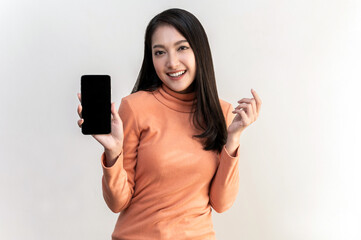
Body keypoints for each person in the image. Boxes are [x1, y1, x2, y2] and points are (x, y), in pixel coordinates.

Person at [77, 8, 261, 240]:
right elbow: (117, 203)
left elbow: (221, 203)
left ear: (199, 50)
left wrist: (233, 140)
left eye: (182, 48)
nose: (172, 62)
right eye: (160, 52)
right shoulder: (135, 107)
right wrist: (113, 153)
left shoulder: (222, 113)